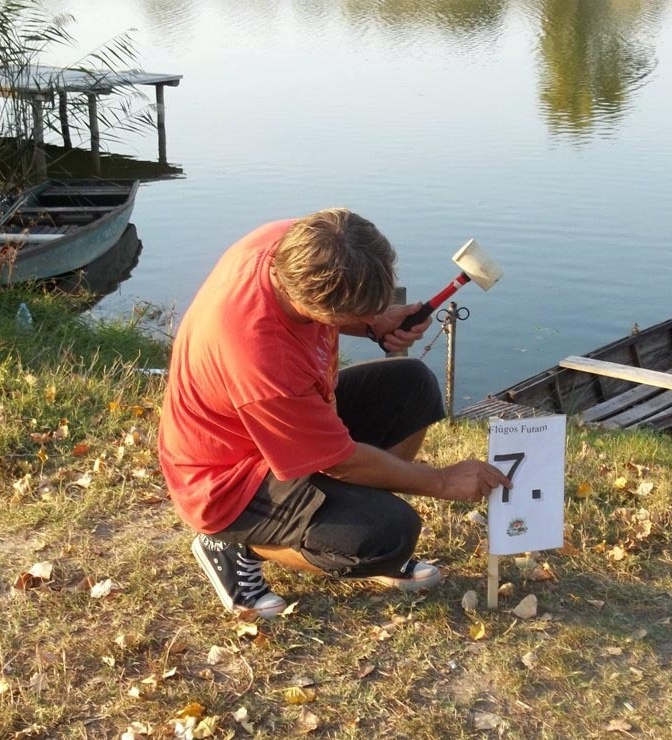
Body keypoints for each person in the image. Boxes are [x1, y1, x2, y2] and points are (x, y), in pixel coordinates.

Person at [158, 208, 511, 617]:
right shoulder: (261, 356)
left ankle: (348, 518)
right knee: (389, 535)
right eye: (353, 316)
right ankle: (231, 543)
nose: (364, 319)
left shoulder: (294, 243)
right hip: (226, 480)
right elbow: (341, 461)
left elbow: (335, 295)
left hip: (282, 424)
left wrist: (374, 320)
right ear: (313, 306)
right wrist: (443, 481)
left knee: (413, 384)